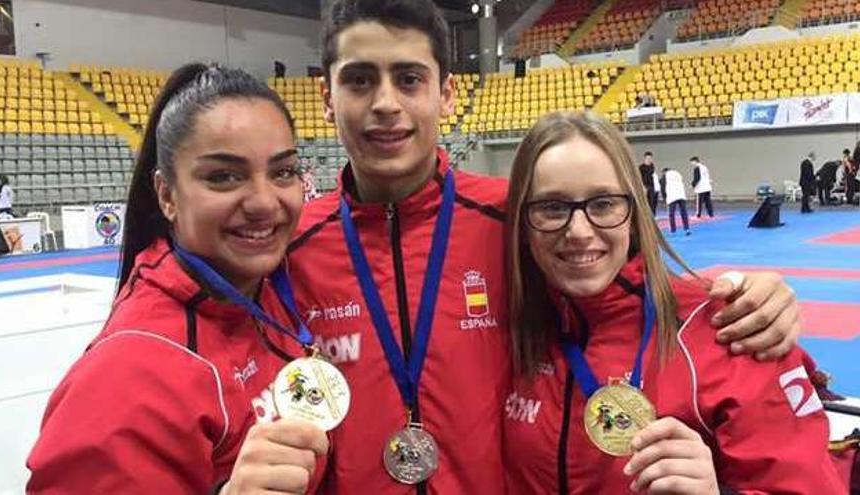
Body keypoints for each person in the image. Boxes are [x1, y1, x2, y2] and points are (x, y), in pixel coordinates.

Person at [286, 0, 802, 493]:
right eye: (358, 80)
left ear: (445, 94)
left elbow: (616, 290)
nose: (385, 103)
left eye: (409, 78)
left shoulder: (516, 218)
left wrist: (746, 294)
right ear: (327, 100)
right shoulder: (289, 248)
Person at [502, 111, 843, 494]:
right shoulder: (506, 328)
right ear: (522, 222)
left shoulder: (731, 328)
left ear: (633, 213)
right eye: (551, 208)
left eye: (603, 204)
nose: (579, 231)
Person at [26, 64, 328, 494]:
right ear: (167, 194)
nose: (264, 201)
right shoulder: (124, 380)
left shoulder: (266, 287)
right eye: (224, 176)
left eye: (282, 172)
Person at [663, 167, 690, 235]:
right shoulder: (678, 174)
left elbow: (663, 188)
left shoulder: (665, 176)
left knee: (671, 214)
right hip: (681, 195)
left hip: (672, 196)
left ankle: (673, 230)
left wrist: (665, 199)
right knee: (683, 212)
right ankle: (687, 229)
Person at [638, 151, 657, 216]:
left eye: (650, 158)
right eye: (647, 158)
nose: (649, 160)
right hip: (644, 187)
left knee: (652, 203)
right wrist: (642, 187)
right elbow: (639, 178)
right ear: (645, 158)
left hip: (652, 187)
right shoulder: (641, 167)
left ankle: (652, 217)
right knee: (644, 203)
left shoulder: (652, 166)